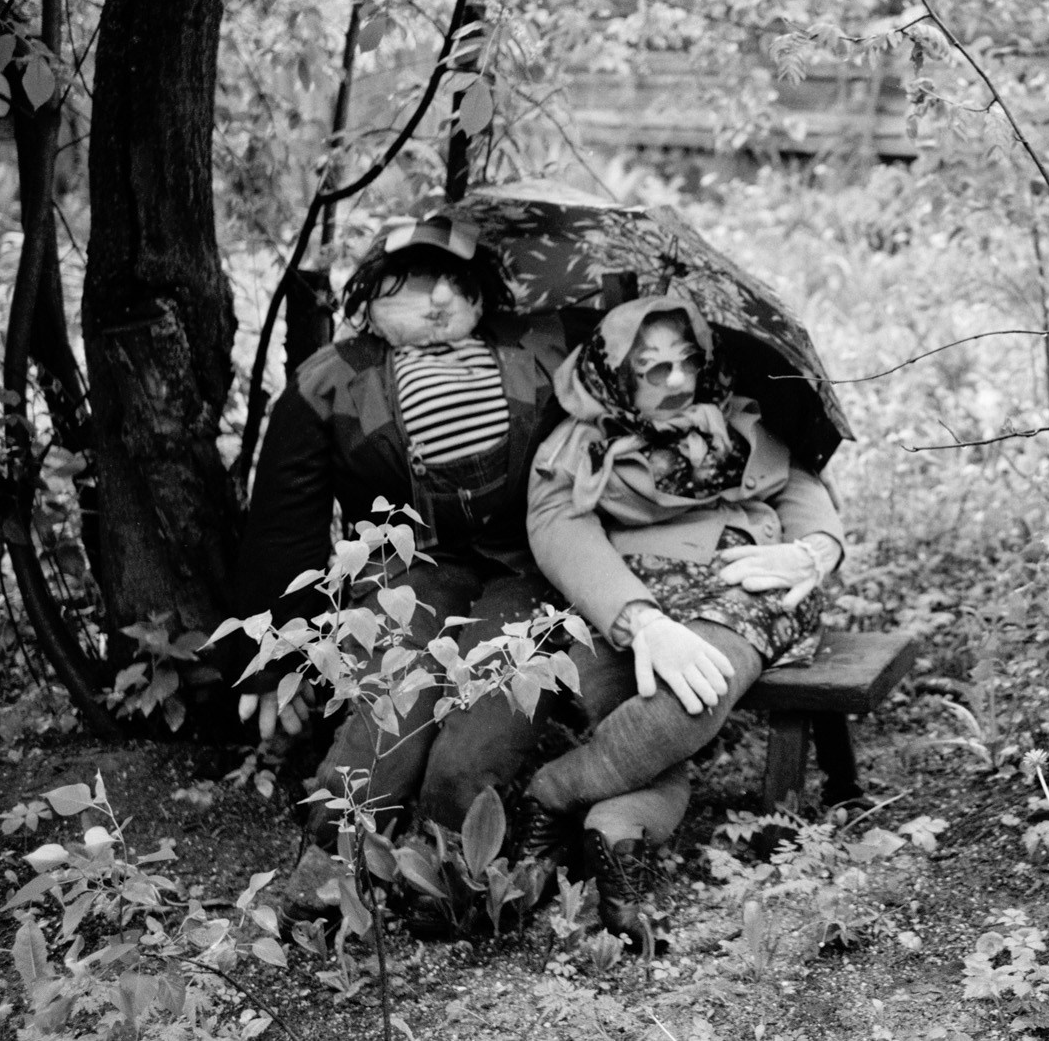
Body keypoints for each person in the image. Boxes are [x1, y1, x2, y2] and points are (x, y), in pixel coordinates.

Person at [226, 215, 576, 904]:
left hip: (526, 567)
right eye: (416, 282)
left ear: (482, 296)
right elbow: (284, 517)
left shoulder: (541, 348)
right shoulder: (332, 379)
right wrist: (271, 651)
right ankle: (337, 856)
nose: (440, 299)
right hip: (409, 572)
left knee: (477, 733)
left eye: (457, 283)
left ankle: (452, 868)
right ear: (371, 296)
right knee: (390, 703)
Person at [523, 293, 844, 952]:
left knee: (700, 681)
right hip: (636, 598)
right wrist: (639, 619)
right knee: (630, 704)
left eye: (685, 362)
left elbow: (801, 486)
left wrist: (813, 550)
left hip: (743, 582)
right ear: (615, 372)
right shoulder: (581, 440)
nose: (675, 382)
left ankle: (553, 794)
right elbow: (558, 525)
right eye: (651, 368)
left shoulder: (735, 420)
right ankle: (615, 836)